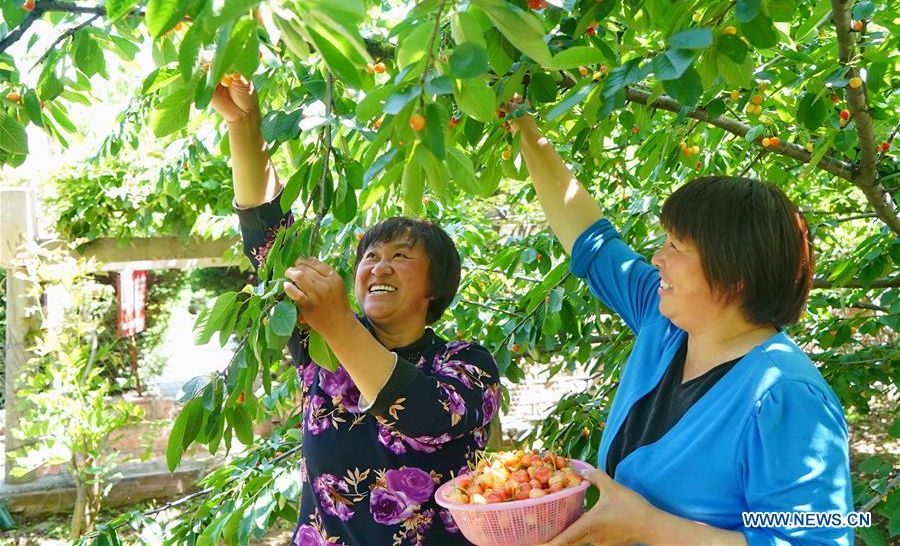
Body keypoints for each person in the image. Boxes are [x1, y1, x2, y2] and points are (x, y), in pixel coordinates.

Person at [507, 112, 853, 546]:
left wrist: (648, 526)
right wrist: (523, 126)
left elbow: (813, 539)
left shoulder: (784, 396)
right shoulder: (666, 326)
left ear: (734, 276)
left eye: (676, 245)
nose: (657, 257)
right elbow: (590, 240)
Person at [211, 75, 500, 546]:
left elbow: (424, 416)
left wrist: (338, 323)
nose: (380, 266)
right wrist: (245, 126)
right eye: (371, 256)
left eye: (401, 256)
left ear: (435, 286)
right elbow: (269, 242)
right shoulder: (322, 345)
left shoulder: (467, 364)